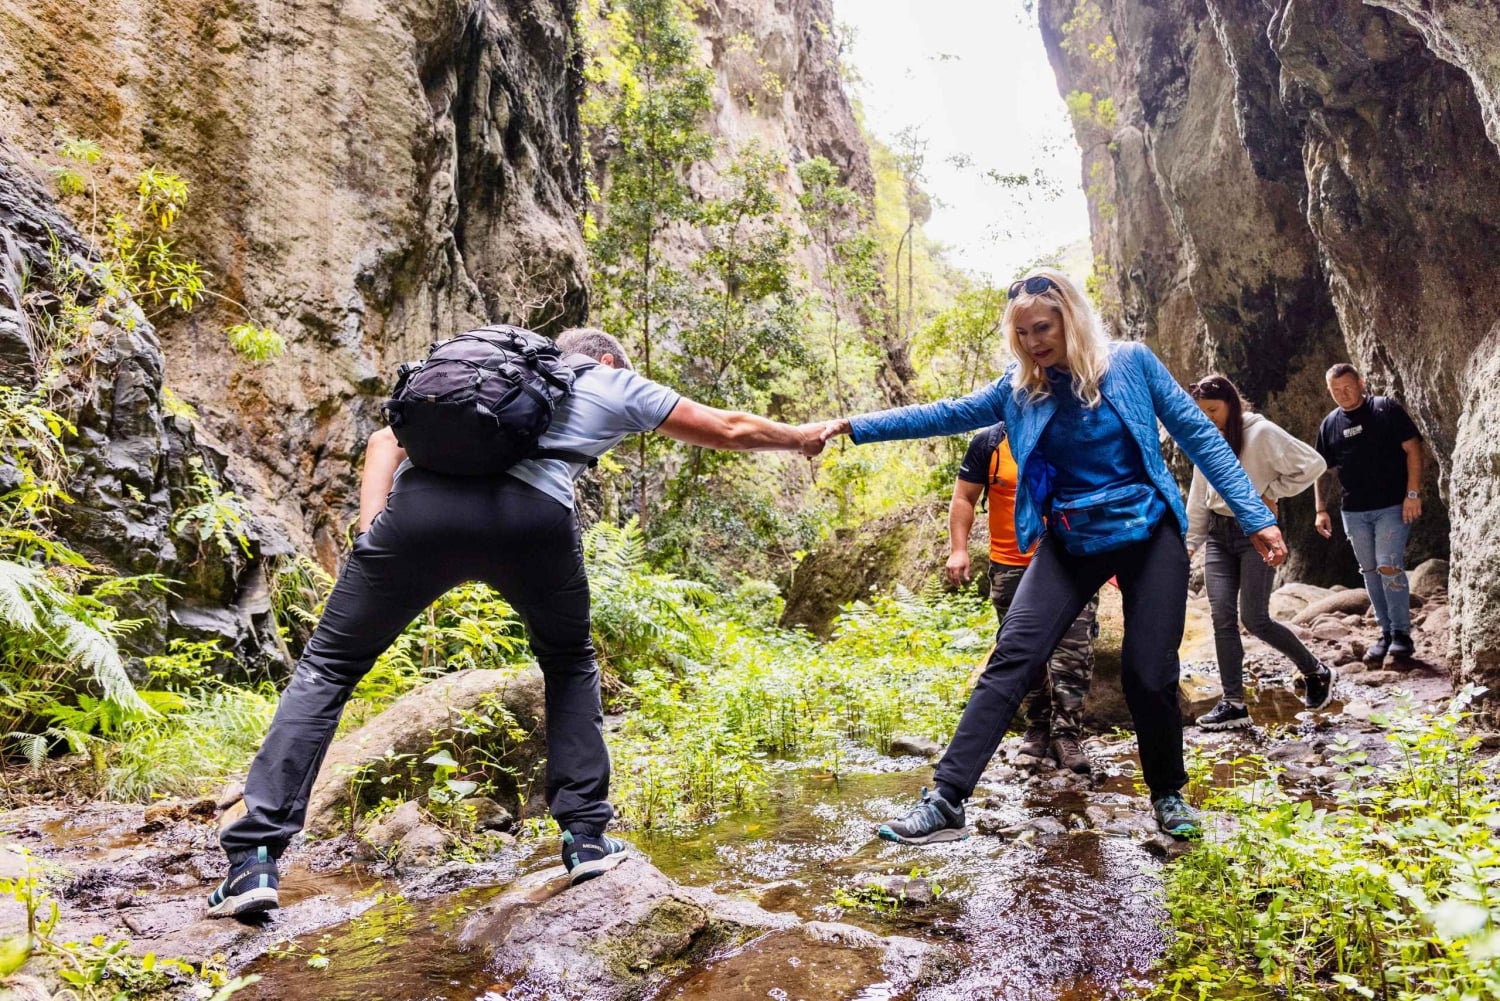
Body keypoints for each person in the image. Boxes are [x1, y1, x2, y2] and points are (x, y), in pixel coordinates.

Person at [208, 327, 825, 918]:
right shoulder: (610, 383)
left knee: (327, 669)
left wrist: (372, 528)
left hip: (419, 514)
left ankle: (253, 860)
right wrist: (799, 438)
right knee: (568, 662)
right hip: (534, 524)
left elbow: (383, 443)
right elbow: (727, 427)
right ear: (609, 362)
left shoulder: (485, 377)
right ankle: (585, 839)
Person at [814, 268, 1287, 842]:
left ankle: (1167, 794)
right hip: (1070, 537)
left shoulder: (1132, 362)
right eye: (1023, 334)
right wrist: (848, 426)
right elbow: (938, 414)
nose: (1035, 341)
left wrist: (1257, 517)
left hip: (1149, 532)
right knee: (1013, 654)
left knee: (1147, 671)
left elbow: (1199, 436)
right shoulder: (1017, 390)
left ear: (1071, 319)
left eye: (1044, 327)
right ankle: (945, 800)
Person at [1185, 374, 1334, 730]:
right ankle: (1234, 703)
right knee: (1221, 617)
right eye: (1201, 412)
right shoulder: (1206, 437)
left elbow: (1313, 464)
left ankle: (1315, 670)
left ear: (1231, 405)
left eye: (1213, 410)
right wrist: (1189, 547)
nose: (1207, 418)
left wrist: (1272, 491)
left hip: (1256, 534)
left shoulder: (1261, 432)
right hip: (1219, 538)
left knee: (1254, 618)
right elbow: (1198, 496)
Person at [948, 424, 1099, 772]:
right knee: (1021, 650)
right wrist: (958, 549)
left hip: (1072, 560)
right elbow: (964, 497)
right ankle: (1038, 726)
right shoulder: (989, 443)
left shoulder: (1074, 430)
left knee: (1075, 650)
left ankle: (1068, 734)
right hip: (1010, 565)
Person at [1313, 363, 1423, 662]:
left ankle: (1402, 634)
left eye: (1347, 387)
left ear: (1361, 383)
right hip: (1354, 511)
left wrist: (1412, 494)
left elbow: (1413, 448)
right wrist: (1321, 509)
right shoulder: (1331, 424)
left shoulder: (1384, 409)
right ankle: (1385, 632)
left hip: (1391, 506)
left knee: (1389, 565)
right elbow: (1322, 470)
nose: (1342, 394)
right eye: (1335, 391)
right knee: (1370, 571)